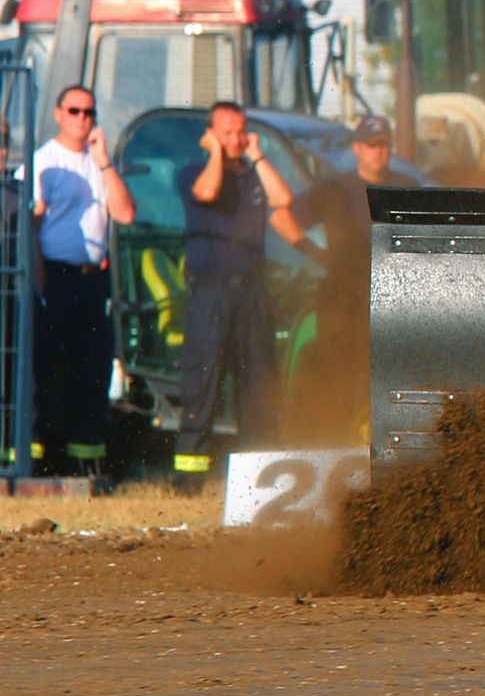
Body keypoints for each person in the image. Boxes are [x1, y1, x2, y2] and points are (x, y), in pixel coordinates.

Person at [173, 101, 297, 490]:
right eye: (226, 131)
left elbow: (284, 200)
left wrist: (256, 155)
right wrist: (215, 153)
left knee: (258, 383)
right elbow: (207, 192)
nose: (235, 139)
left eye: (240, 131)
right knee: (203, 381)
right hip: (211, 294)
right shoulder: (193, 170)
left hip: (252, 295)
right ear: (210, 134)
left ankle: (257, 478)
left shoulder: (253, 174)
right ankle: (190, 479)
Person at [29, 86, 136, 478]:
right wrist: (39, 283)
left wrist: (105, 163)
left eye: (89, 112)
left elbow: (125, 214)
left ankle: (84, 461)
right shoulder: (43, 161)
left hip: (93, 281)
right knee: (43, 367)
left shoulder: (99, 163)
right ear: (59, 113)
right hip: (53, 277)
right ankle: (38, 458)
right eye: (74, 110)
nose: (82, 118)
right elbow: (31, 227)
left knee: (91, 368)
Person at [295, 117, 409, 439]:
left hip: (389, 297)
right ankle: (334, 441)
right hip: (341, 299)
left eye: (384, 145)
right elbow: (286, 215)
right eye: (372, 146)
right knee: (338, 375)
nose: (379, 152)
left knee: (383, 376)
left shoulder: (402, 188)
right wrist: (313, 253)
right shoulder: (335, 187)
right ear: (358, 148)